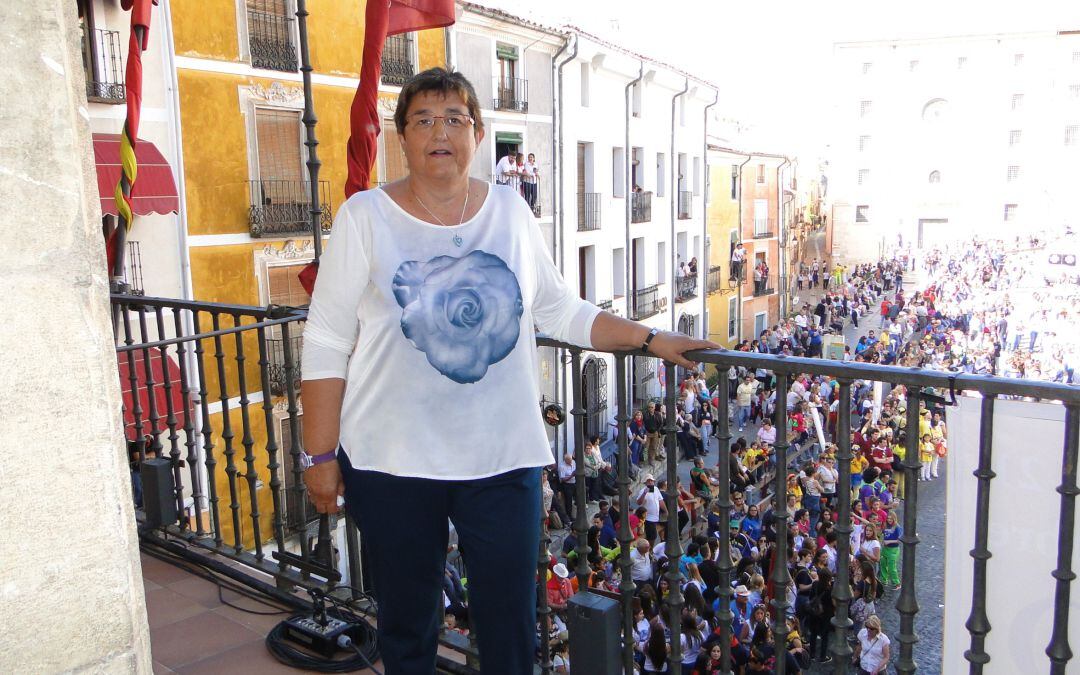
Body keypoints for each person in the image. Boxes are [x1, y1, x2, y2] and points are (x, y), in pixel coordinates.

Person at [301, 68, 715, 674]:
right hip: (392, 461)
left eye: (455, 119)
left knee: (512, 629)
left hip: (503, 459)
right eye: (422, 120)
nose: (439, 131)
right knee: (406, 626)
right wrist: (319, 455)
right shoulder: (366, 217)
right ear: (402, 137)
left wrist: (650, 337)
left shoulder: (510, 211)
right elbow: (327, 338)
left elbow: (558, 307)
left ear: (477, 134)